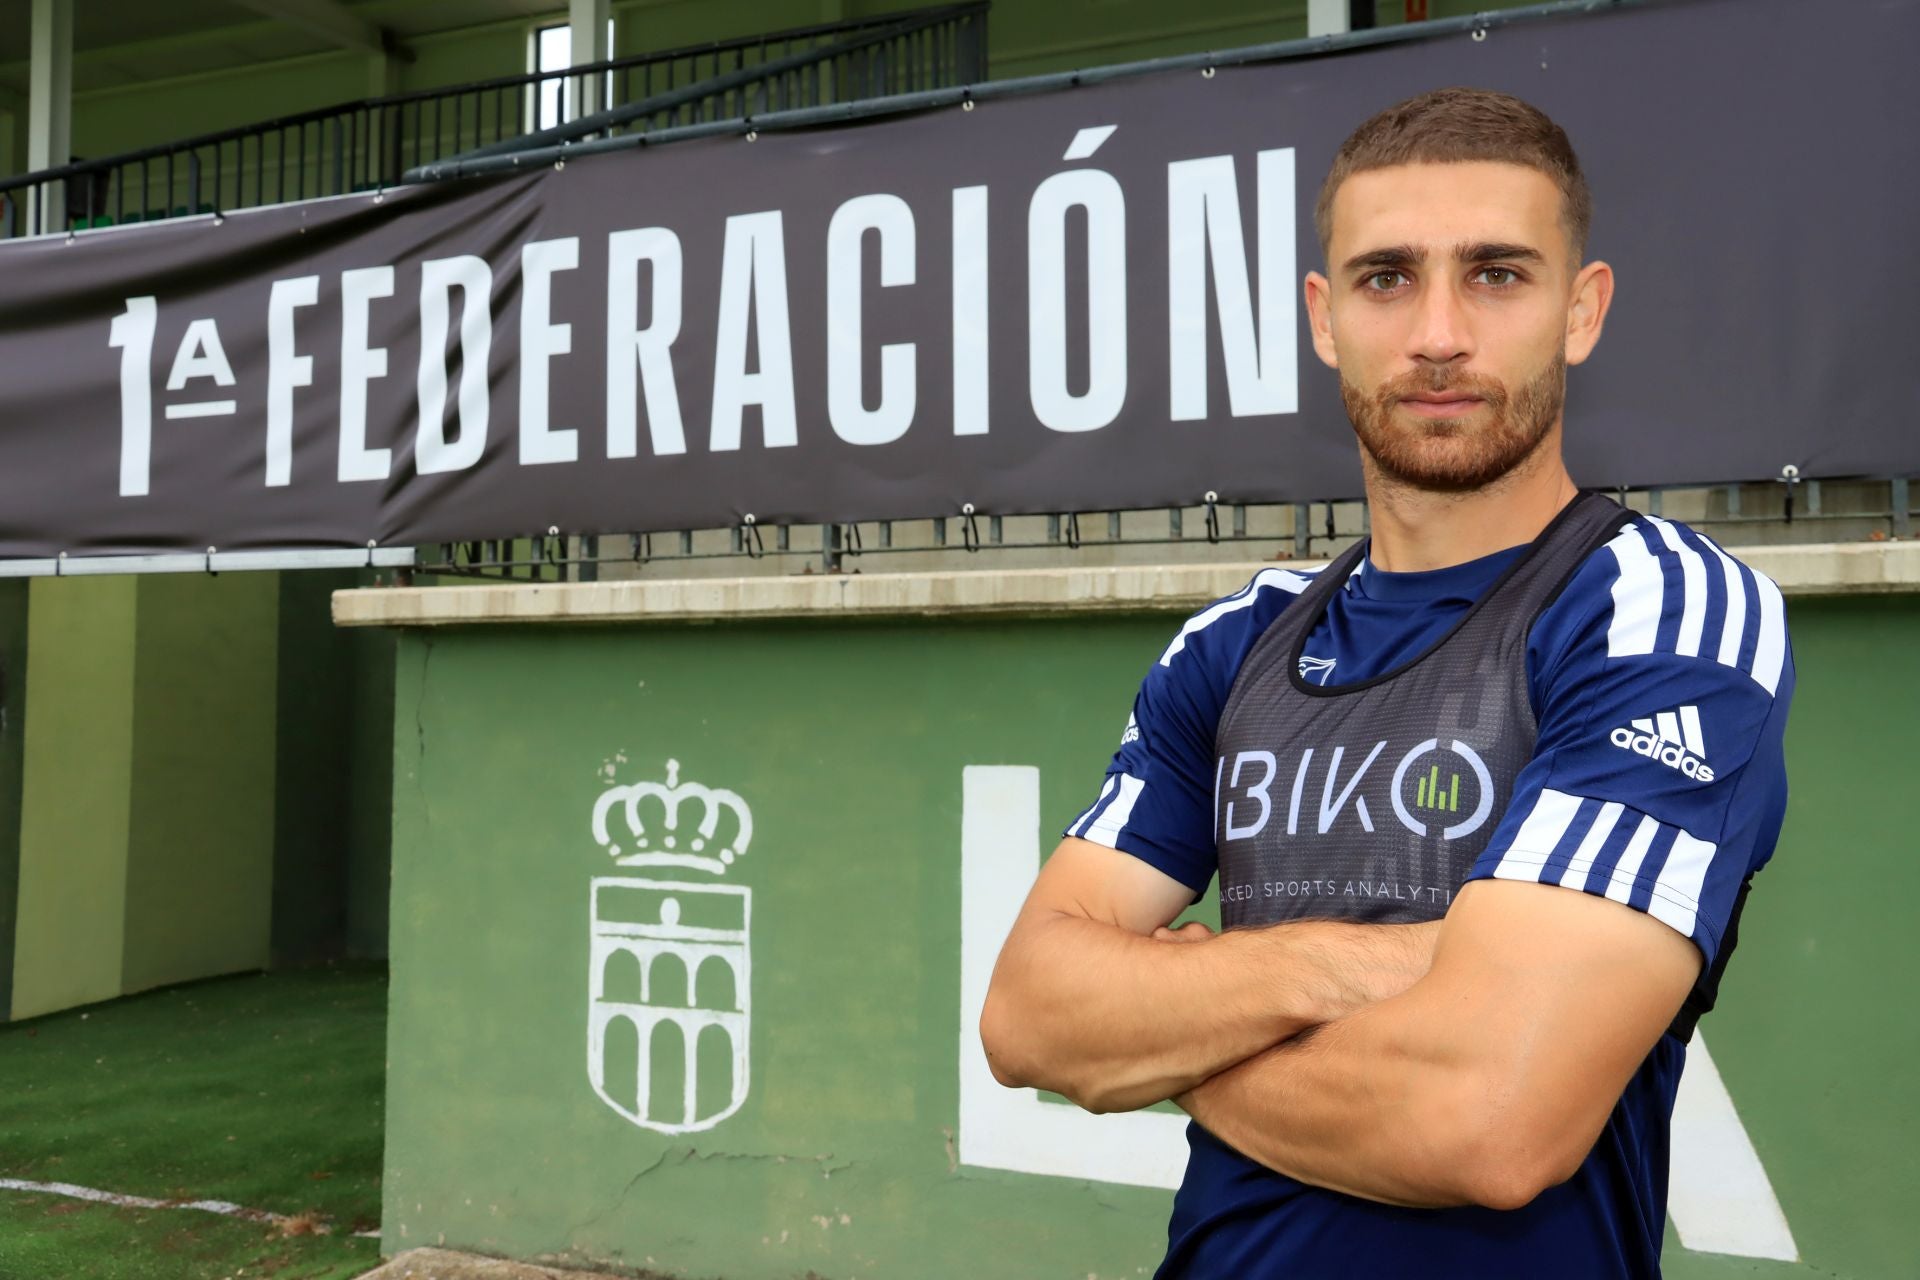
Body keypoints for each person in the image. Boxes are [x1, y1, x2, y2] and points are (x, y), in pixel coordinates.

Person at [979, 87, 1793, 1278]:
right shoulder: (1236, 640)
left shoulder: (1653, 613)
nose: (1439, 334)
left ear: (1583, 309)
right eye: (1386, 278)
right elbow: (1029, 1015)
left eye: (1498, 275)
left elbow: (1487, 1118)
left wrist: (1177, 1015)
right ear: (1324, 317)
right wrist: (1385, 960)